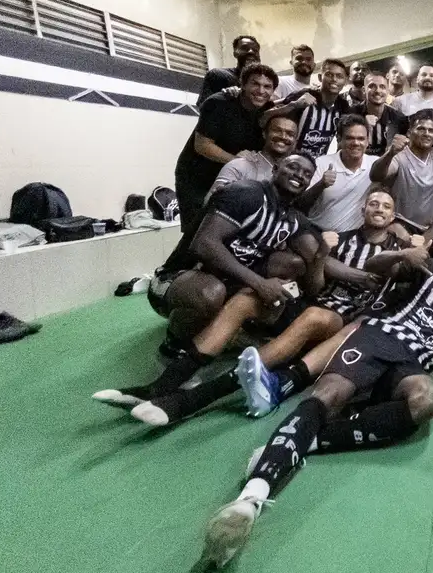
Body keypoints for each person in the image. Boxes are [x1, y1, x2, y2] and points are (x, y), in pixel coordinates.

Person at [200, 236, 433, 567]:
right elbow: (374, 265)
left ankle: (306, 440)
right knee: (328, 395)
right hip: (379, 336)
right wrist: (404, 252)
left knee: (428, 400)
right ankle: (250, 499)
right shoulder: (430, 270)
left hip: (413, 361)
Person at [93, 155, 323, 416]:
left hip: (226, 284)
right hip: (178, 281)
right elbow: (204, 244)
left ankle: (227, 336)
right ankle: (173, 349)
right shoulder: (246, 194)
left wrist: (339, 259)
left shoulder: (291, 217)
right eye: (293, 167)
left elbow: (317, 257)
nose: (299, 174)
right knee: (210, 293)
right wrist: (259, 283)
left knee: (291, 265)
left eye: (307, 173)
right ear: (276, 169)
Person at [175, 63, 278, 229]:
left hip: (231, 177)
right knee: (198, 230)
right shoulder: (219, 102)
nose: (261, 90)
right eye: (255, 84)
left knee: (227, 229)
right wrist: (238, 161)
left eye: (267, 86)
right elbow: (202, 145)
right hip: (197, 178)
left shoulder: (266, 109)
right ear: (243, 84)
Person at [370, 115, 433, 232]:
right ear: (409, 133)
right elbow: (376, 176)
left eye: (431, 131)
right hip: (397, 226)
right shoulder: (399, 156)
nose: (426, 133)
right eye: (421, 129)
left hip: (425, 229)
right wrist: (390, 153)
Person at [304, 116, 380, 233]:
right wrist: (321, 184)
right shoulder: (321, 163)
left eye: (361, 138)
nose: (356, 143)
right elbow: (302, 203)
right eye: (350, 138)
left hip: (356, 238)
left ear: (367, 141)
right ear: (339, 139)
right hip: (319, 233)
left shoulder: (375, 164)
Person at [264, 58, 352, 158]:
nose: (334, 79)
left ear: (345, 81)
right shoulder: (303, 95)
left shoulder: (343, 105)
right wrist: (294, 104)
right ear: (320, 77)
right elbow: (264, 118)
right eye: (329, 74)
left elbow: (345, 136)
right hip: (289, 160)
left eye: (339, 76)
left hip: (316, 163)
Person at [207, 115, 299, 199]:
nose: (283, 136)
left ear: (295, 141)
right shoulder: (239, 165)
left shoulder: (295, 177)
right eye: (277, 131)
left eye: (290, 134)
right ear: (264, 134)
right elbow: (212, 202)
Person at [197, 35, 259, 106]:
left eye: (255, 50)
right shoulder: (217, 75)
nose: (251, 51)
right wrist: (223, 97)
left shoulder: (263, 83)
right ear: (235, 53)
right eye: (244, 48)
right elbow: (203, 107)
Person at [358, 71, 405, 156]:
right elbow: (341, 148)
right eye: (372, 86)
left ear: (387, 91)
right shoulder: (351, 114)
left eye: (382, 87)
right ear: (364, 90)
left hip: (387, 162)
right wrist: (363, 127)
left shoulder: (398, 118)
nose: (377, 91)